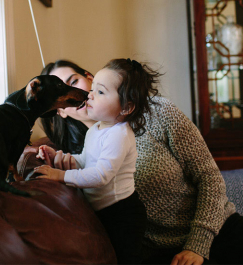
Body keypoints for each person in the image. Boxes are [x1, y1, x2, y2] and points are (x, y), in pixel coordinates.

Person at [38, 59, 243, 265]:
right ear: (60, 110)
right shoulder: (82, 151)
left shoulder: (157, 112)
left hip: (216, 229)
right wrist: (59, 164)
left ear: (89, 78)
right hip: (159, 255)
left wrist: (198, 244)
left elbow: (209, 177)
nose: (74, 93)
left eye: (74, 81)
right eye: (61, 92)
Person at [34, 58, 159, 264]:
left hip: (123, 213)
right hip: (104, 212)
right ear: (61, 112)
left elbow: (101, 175)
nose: (89, 95)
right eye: (93, 90)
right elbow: (85, 161)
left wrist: (61, 175)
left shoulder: (119, 135)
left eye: (100, 92)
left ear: (126, 108)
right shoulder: (96, 129)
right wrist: (57, 159)